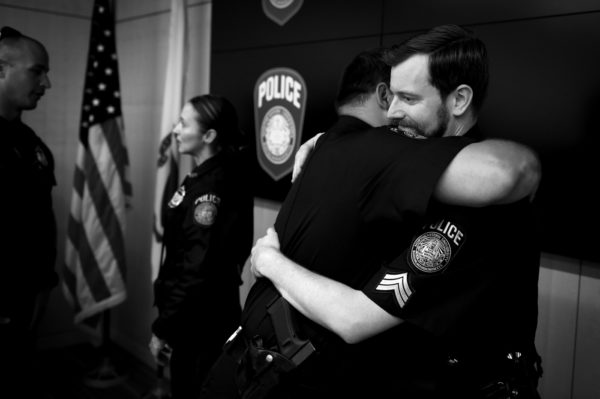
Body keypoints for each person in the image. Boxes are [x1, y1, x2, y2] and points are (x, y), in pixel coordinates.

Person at [200, 38, 540, 398]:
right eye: (390, 96)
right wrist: (335, 144)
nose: (391, 112)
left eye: (408, 99)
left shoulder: (473, 197)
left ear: (459, 100)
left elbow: (354, 319)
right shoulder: (430, 166)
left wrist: (269, 261)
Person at [149, 94, 254, 398]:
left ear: (208, 135)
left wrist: (164, 326)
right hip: (201, 313)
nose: (176, 130)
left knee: (193, 387)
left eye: (184, 123)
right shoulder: (204, 174)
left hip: (201, 319)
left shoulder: (212, 185)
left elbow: (196, 267)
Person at [0, 26, 57, 393]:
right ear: (2, 69)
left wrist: (42, 285)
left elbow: (37, 221)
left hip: (27, 298)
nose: (47, 83)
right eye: (37, 71)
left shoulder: (30, 144)